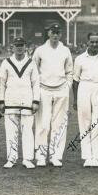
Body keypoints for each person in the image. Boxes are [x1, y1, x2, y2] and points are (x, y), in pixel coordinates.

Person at [32, 23, 73, 167]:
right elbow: (34, 72)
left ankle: (55, 156)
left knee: (59, 124)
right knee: (43, 124)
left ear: (61, 34)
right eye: (53, 32)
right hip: (44, 90)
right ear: (48, 33)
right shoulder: (40, 50)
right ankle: (41, 155)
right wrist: (36, 92)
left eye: (58, 32)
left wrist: (67, 87)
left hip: (61, 90)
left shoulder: (65, 50)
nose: (55, 35)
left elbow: (69, 72)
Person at [0, 37, 40, 169]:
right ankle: (11, 158)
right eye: (17, 45)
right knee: (11, 132)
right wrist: (1, 101)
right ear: (13, 47)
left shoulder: (31, 63)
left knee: (27, 131)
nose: (19, 48)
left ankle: (27, 159)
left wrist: (35, 101)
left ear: (25, 46)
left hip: (27, 102)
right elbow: (2, 83)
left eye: (21, 45)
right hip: (10, 101)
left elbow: (36, 83)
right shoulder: (6, 62)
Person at [72, 32, 98, 167]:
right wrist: (75, 100)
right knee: (84, 122)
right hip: (84, 88)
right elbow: (75, 81)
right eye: (92, 42)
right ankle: (87, 156)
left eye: (96, 42)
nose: (94, 44)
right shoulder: (80, 59)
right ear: (87, 42)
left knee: (97, 122)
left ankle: (96, 156)